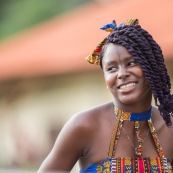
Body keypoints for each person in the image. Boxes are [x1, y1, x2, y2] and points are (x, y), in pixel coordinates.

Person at [37, 18, 173, 173]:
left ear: (152, 67)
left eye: (132, 63)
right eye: (112, 68)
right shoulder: (83, 126)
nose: (122, 74)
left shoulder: (170, 129)